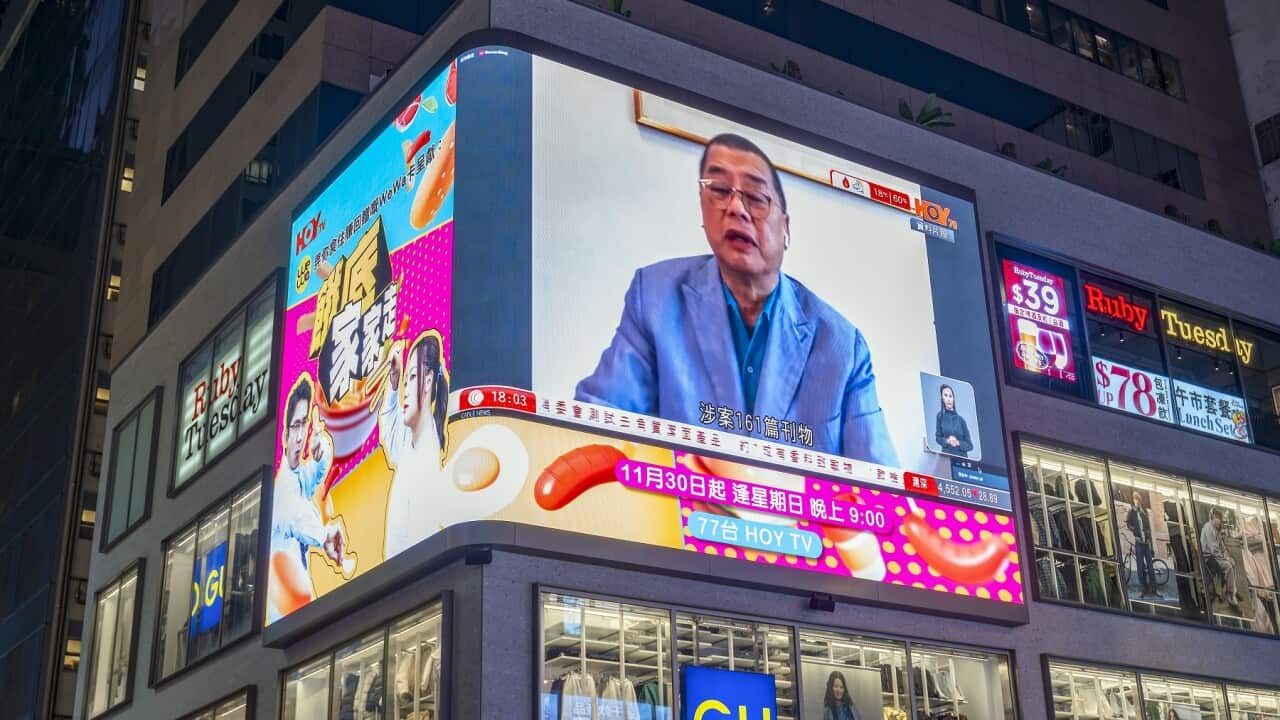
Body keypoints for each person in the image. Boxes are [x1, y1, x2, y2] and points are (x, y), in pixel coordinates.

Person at [576, 133, 898, 465]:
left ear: (786, 228)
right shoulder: (655, 296)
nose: (735, 208)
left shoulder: (842, 344)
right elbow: (600, 422)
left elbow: (882, 483)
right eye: (718, 190)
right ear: (702, 206)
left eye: (756, 198)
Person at [268, 379, 347, 622]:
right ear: (286, 433)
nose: (301, 435)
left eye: (305, 424)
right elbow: (296, 516)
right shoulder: (282, 490)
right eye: (296, 426)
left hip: (297, 608)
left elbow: (316, 472)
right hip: (284, 611)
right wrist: (324, 536)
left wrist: (321, 445)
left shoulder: (297, 474)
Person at [382, 333, 449, 558]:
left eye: (411, 377)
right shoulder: (413, 441)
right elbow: (391, 435)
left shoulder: (426, 461)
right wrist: (394, 380)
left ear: (428, 380)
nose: (405, 390)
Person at [1200, 509, 1243, 610]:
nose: (1219, 520)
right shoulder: (1209, 528)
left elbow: (1222, 547)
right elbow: (1214, 550)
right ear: (1212, 518)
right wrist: (1225, 559)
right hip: (1208, 557)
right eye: (1217, 518)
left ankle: (1233, 591)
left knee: (1232, 562)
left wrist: (1227, 556)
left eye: (1220, 518)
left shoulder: (1216, 528)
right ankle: (1230, 595)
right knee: (1228, 566)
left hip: (1215, 556)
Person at [1126, 490, 1157, 599]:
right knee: (1140, 567)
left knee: (1150, 566)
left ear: (1140, 501)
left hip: (1146, 543)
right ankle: (1143, 589)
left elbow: (1148, 526)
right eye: (1136, 500)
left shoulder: (1144, 512)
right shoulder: (1131, 512)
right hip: (1139, 542)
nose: (1137, 502)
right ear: (1133, 501)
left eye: (1138, 500)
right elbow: (1128, 523)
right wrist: (1134, 529)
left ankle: (1153, 589)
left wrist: (1149, 537)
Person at [933, 384, 973, 458]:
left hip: (961, 460)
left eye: (950, 396)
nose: (948, 399)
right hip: (946, 459)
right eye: (945, 395)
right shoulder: (940, 416)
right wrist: (948, 441)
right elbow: (938, 438)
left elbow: (970, 445)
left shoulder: (961, 420)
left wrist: (958, 443)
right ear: (942, 398)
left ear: (953, 398)